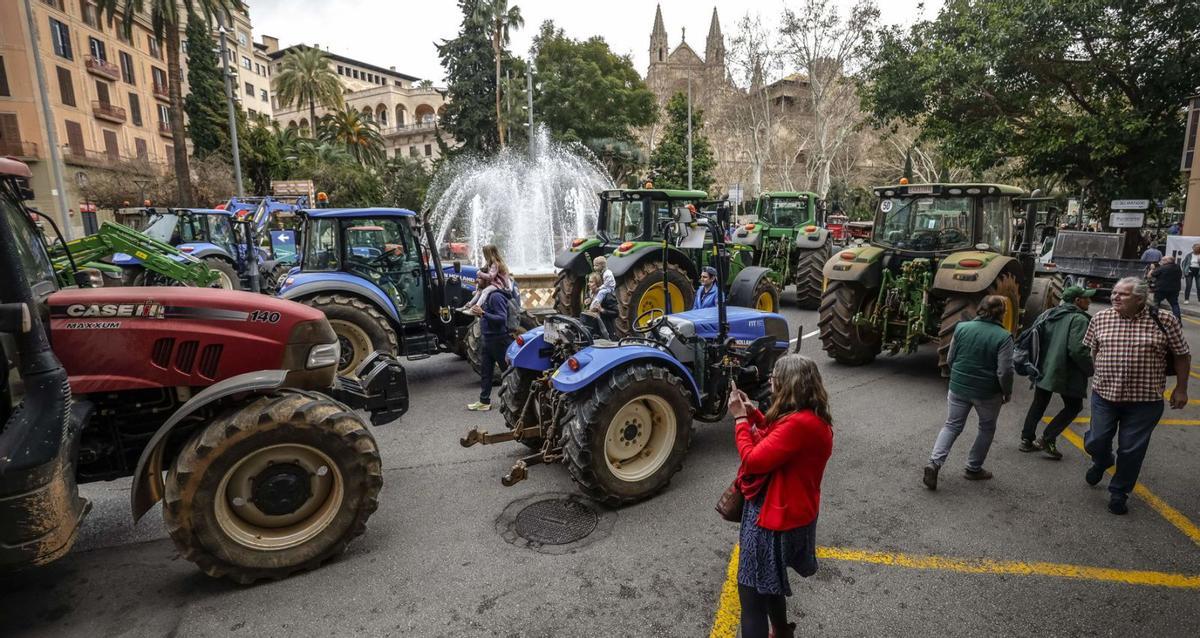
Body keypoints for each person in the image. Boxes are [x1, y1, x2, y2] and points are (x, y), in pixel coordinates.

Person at [729, 355, 833, 638]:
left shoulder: (798, 424)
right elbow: (779, 440)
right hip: (791, 511)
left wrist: (739, 419)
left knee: (750, 593)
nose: (770, 381)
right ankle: (782, 631)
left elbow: (752, 459)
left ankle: (777, 630)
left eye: (774, 377)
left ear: (788, 384)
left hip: (773, 519)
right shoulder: (810, 417)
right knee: (769, 582)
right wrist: (754, 415)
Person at [1082, 277, 1190, 515]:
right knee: (1095, 441)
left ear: (1140, 299)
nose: (1114, 297)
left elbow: (1182, 355)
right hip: (1105, 395)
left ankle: (1119, 492)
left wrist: (1181, 388)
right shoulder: (1101, 318)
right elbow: (1094, 350)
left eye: (1122, 294)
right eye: (1114, 293)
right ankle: (1101, 460)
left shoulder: (1165, 320)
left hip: (1144, 401)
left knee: (1131, 450)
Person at [923, 295, 1014, 490]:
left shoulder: (962, 328)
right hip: (988, 393)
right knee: (986, 428)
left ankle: (934, 463)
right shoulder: (1004, 337)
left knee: (952, 425)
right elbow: (1004, 371)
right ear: (1002, 313)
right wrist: (1007, 392)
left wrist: (958, 377)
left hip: (958, 387)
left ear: (980, 309)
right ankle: (973, 468)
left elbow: (950, 358)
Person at [1018, 286, 1095, 459]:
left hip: (1044, 367)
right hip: (1066, 372)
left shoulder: (1050, 313)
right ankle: (1047, 438)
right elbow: (1077, 350)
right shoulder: (1079, 319)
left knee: (1039, 403)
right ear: (1077, 300)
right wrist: (1090, 369)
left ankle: (1026, 439)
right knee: (1074, 406)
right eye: (1086, 298)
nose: (1089, 301)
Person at [466, 272, 512, 411]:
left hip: (499, 340)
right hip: (488, 339)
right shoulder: (484, 296)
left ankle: (514, 400)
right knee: (486, 373)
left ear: (487, 280)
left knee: (507, 372)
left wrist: (483, 313)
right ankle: (484, 402)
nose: (477, 279)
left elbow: (501, 319)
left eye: (480, 278)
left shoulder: (496, 297)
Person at [459, 244, 510, 313]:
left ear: (489, 254)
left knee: (485, 291)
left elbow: (490, 276)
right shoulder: (489, 263)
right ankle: (468, 306)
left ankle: (476, 309)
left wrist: (480, 273)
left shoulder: (495, 264)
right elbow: (486, 271)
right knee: (479, 292)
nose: (484, 256)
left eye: (485, 254)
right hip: (493, 283)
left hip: (499, 284)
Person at [581, 272, 617, 339]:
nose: (588, 284)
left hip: (606, 334)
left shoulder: (607, 295)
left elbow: (616, 313)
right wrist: (588, 301)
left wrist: (602, 310)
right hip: (593, 331)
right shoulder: (590, 294)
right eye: (589, 282)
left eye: (591, 282)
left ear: (597, 283)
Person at [1150, 255, 1182, 321]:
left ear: (1167, 261)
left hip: (1161, 289)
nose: (1161, 261)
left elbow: (1150, 276)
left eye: (1163, 260)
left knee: (1156, 302)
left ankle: (1154, 317)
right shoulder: (1178, 267)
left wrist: (1152, 268)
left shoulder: (1162, 268)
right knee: (1174, 304)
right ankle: (1178, 319)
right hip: (1174, 289)